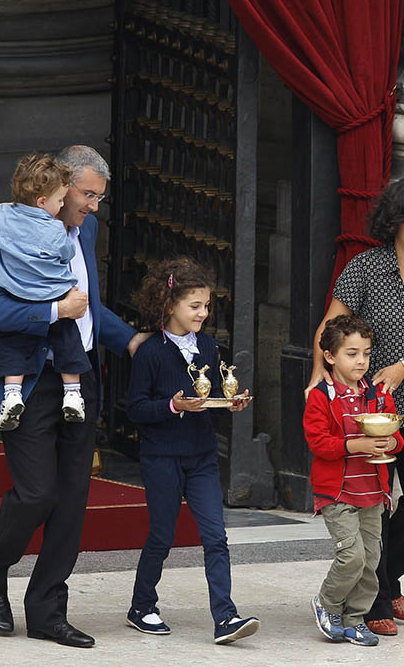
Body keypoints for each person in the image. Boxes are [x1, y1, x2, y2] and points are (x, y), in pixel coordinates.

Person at [0, 146, 151, 648]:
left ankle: (48, 610)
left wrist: (130, 339)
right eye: (88, 195)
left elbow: (88, 307)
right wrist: (54, 312)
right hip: (25, 379)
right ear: (57, 188)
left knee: (72, 501)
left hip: (80, 375)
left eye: (99, 197)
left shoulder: (84, 229)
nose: (94, 207)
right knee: (37, 493)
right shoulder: (0, 229)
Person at [305, 176, 404, 636]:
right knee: (375, 502)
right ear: (395, 221)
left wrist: (402, 368)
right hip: (367, 408)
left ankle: (387, 578)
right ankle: (375, 600)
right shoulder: (365, 268)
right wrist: (319, 375)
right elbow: (329, 327)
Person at [124, 257, 258, 645]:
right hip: (161, 458)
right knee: (162, 536)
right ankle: (141, 605)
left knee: (216, 536)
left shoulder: (208, 346)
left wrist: (228, 403)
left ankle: (225, 617)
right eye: (195, 306)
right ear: (169, 307)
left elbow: (210, 395)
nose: (203, 313)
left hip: (201, 456)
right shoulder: (149, 352)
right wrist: (172, 406)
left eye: (207, 305)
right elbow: (136, 409)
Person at [305, 314, 404, 648]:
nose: (361, 360)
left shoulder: (377, 395)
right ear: (330, 357)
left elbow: (395, 434)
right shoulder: (321, 397)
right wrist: (355, 445)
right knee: (352, 557)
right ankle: (327, 604)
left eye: (365, 352)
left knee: (371, 560)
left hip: (373, 492)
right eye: (352, 353)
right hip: (338, 494)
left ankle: (355, 618)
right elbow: (319, 444)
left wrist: (390, 442)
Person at [0, 153, 90, 430]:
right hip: (52, 295)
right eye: (60, 200)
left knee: (12, 344)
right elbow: (66, 252)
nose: (62, 205)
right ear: (42, 201)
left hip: (16, 292)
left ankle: (12, 394)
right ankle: (73, 393)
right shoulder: (54, 228)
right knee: (68, 337)